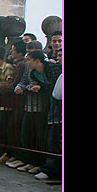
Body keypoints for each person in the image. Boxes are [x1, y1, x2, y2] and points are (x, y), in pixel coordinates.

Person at [25, 50, 62, 181]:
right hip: (51, 107)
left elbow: (53, 87)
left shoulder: (53, 69)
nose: (27, 63)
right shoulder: (34, 73)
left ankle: (52, 170)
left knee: (54, 139)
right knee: (51, 138)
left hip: (57, 108)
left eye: (29, 60)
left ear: (37, 60)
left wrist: (41, 88)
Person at [11, 40, 47, 172]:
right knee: (26, 134)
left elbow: (42, 87)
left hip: (40, 106)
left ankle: (38, 163)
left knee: (39, 136)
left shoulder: (46, 68)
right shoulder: (28, 68)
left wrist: (25, 88)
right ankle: (29, 161)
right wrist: (20, 86)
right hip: (29, 105)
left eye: (30, 57)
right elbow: (24, 81)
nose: (27, 60)